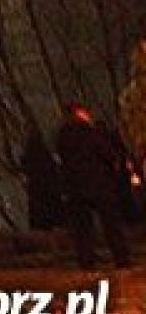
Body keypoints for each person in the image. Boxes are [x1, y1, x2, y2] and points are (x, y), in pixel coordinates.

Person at [55, 102, 133, 269]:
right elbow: (108, 154)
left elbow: (62, 162)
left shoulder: (62, 137)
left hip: (75, 187)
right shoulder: (89, 132)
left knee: (83, 229)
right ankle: (121, 258)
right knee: (111, 225)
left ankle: (86, 261)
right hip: (98, 184)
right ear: (79, 113)